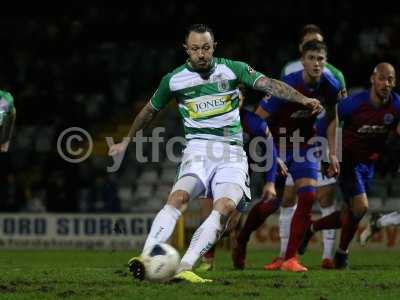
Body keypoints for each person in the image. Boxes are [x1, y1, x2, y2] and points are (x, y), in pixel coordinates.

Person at [108, 24, 321, 283]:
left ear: (214, 47)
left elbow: (270, 85)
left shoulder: (232, 69)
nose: (201, 54)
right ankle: (145, 257)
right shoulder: (174, 80)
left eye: (206, 48)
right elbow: (149, 112)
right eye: (195, 49)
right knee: (178, 197)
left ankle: (185, 266)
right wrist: (127, 141)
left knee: (225, 207)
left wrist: (302, 99)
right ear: (186, 49)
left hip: (231, 152)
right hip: (197, 150)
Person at [232, 40, 341, 272]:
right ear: (302, 60)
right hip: (277, 145)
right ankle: (241, 240)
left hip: (305, 146)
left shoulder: (330, 86)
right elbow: (258, 121)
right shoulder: (285, 87)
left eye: (320, 59)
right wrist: (271, 157)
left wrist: (333, 152)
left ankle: (291, 259)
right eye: (311, 58)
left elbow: (332, 117)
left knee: (309, 196)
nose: (316, 63)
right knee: (271, 204)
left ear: (326, 62)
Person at [299, 63, 400, 269]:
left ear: (394, 82)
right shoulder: (354, 103)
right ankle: (342, 254)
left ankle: (312, 228)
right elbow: (329, 122)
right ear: (373, 79)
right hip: (347, 160)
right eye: (382, 78)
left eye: (390, 79)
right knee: (361, 207)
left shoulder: (396, 106)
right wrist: (331, 154)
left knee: (350, 213)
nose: (386, 83)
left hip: (369, 163)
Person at [268, 24, 348, 270]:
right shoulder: (290, 70)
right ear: (301, 50)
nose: (315, 56)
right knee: (289, 197)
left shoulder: (334, 76)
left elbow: (337, 114)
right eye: (309, 46)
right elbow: (280, 104)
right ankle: (285, 254)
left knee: (325, 197)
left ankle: (326, 255)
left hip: (322, 139)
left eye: (319, 46)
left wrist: (334, 150)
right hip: (293, 140)